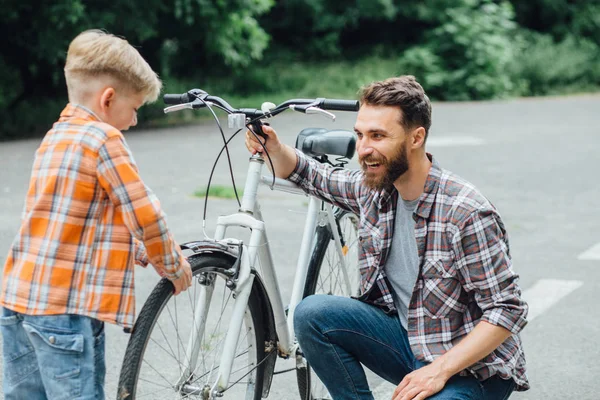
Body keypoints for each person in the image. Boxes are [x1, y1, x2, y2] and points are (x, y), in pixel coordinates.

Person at [245, 76, 528, 400]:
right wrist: (275, 149)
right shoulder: (374, 189)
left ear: (416, 137)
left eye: (378, 136)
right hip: (410, 343)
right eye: (360, 135)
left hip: (473, 371)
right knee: (310, 313)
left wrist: (440, 370)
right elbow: (311, 174)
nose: (364, 149)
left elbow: (506, 309)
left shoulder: (465, 213)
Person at [0, 29, 192, 399]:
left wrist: (138, 252)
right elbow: (144, 214)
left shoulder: (55, 137)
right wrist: (172, 265)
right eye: (134, 109)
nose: (134, 121)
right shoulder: (105, 140)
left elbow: (75, 223)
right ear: (108, 99)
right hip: (64, 315)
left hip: (17, 304)